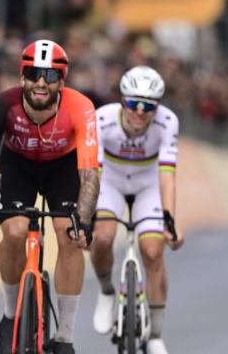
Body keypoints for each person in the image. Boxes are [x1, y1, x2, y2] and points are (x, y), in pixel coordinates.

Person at [0, 39, 99, 354]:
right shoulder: (2, 105)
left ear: (62, 82)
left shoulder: (81, 107)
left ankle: (65, 335)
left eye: (50, 75)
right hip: (19, 166)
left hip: (63, 167)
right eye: (33, 73)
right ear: (22, 77)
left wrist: (83, 222)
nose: (41, 82)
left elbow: (90, 176)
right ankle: (10, 314)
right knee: (14, 233)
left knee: (69, 236)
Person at [90, 65, 185, 354]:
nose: (140, 112)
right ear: (122, 100)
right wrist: (87, 215)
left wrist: (169, 221)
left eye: (149, 106)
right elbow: (93, 174)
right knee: (102, 238)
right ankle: (107, 291)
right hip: (111, 182)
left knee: (153, 252)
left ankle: (155, 333)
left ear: (158, 106)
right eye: (134, 103)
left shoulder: (167, 122)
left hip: (148, 185)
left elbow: (167, 176)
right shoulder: (102, 119)